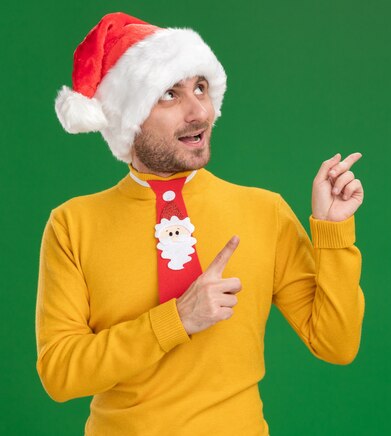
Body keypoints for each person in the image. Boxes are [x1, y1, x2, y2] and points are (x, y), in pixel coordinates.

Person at [36, 12, 365, 435]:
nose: (199, 112)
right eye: (169, 95)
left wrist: (332, 232)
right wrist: (176, 319)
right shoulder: (72, 225)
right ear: (129, 119)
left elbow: (336, 344)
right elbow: (60, 375)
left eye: (201, 88)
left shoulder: (265, 211)